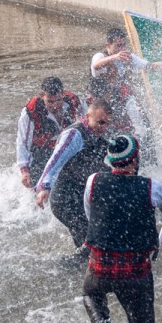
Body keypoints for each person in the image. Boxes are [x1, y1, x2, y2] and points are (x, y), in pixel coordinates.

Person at [83, 135, 162, 323]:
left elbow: (91, 216)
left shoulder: (93, 181)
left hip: (99, 270)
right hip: (135, 274)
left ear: (110, 160)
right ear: (134, 161)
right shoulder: (150, 187)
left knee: (91, 294)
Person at [34, 100, 113, 257]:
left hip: (79, 197)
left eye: (107, 124)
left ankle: (81, 267)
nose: (104, 127)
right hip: (65, 200)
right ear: (87, 116)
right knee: (91, 242)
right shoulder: (74, 134)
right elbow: (54, 160)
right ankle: (67, 268)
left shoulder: (98, 136)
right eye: (100, 122)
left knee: (93, 239)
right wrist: (44, 187)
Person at [16, 77, 82, 188]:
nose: (55, 105)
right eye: (50, 101)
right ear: (42, 96)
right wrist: (24, 170)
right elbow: (22, 143)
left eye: (58, 100)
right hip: (41, 152)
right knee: (37, 185)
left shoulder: (73, 102)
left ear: (63, 94)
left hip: (66, 148)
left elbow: (87, 125)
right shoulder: (30, 112)